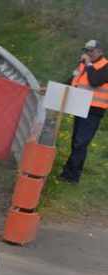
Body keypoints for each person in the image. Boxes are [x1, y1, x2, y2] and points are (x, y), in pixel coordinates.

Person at [58, 39, 108, 183]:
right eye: (86, 51)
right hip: (80, 106)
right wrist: (53, 89)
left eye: (91, 51)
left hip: (94, 111)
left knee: (81, 143)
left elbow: (95, 81)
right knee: (76, 142)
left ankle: (71, 175)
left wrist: (88, 65)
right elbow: (73, 81)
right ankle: (69, 173)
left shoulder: (105, 66)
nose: (87, 53)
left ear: (100, 52)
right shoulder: (83, 65)